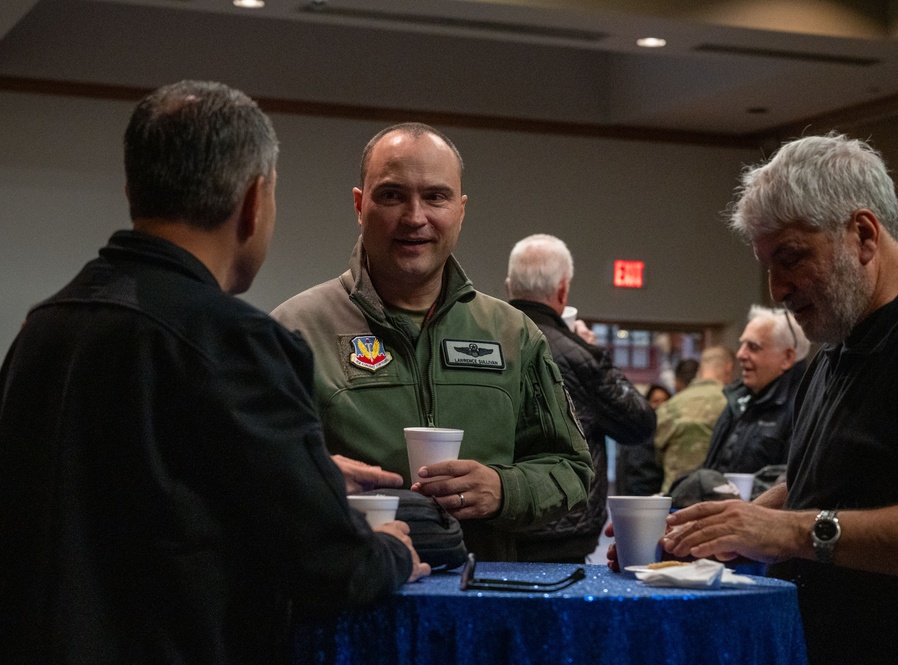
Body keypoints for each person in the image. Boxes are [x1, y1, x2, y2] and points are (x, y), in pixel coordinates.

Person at [0, 81, 429, 665]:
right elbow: (329, 568)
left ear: (133, 190)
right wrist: (391, 552)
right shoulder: (237, 343)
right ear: (254, 202)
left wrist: (307, 471)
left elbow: (127, 485)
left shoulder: (43, 327)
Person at [661, 133, 898, 664]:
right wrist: (733, 526)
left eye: (791, 258)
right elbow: (828, 481)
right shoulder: (835, 350)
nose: (777, 289)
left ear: (863, 235)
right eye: (768, 265)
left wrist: (794, 531)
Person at [271, 123, 593, 562]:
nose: (414, 217)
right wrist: (322, 486)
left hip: (482, 602)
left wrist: (504, 489)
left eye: (435, 197)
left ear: (460, 210)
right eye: (392, 195)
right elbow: (251, 475)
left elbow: (571, 468)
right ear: (359, 205)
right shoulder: (296, 330)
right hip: (347, 603)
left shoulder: (512, 333)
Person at [504, 234, 656, 562]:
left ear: (508, 288)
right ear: (563, 290)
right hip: (564, 536)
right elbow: (640, 422)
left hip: (492, 525)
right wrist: (590, 350)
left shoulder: (480, 342)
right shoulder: (579, 356)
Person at [672, 305, 809, 500]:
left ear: (787, 357)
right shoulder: (736, 403)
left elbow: (792, 486)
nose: (740, 355)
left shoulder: (804, 407)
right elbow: (712, 468)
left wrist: (714, 486)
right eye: (742, 345)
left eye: (753, 347)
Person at [653, 345, 734, 492]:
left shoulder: (669, 406)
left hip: (674, 498)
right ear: (728, 368)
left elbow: (655, 456)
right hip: (719, 499)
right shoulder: (733, 404)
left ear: (701, 369)